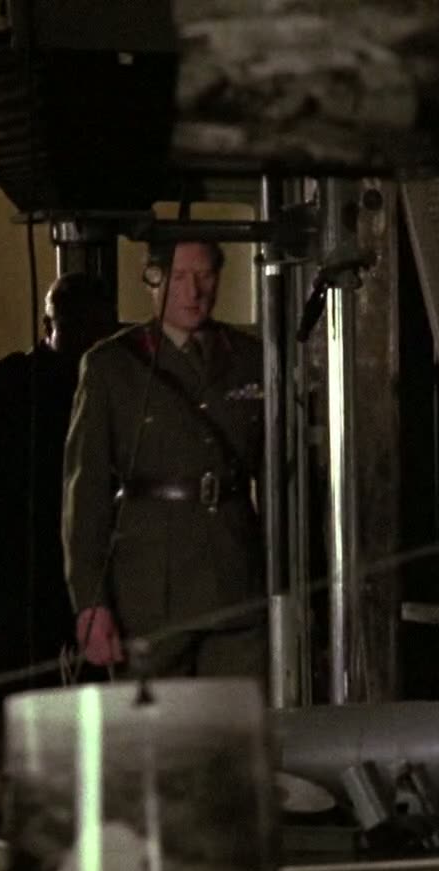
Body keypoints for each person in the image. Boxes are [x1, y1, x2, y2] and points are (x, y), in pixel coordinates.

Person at [61, 240, 267, 680]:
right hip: (150, 591)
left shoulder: (250, 359)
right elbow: (87, 492)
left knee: (237, 715)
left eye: (205, 276)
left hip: (236, 581)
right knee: (155, 719)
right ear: (154, 281)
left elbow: (282, 475)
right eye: (179, 277)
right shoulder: (112, 367)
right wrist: (90, 603)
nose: (194, 291)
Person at [0, 272, 120, 696]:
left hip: (68, 573)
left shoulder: (0, 385)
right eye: (81, 327)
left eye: (99, 330)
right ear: (49, 325)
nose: (90, 340)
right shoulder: (2, 388)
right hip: (23, 576)